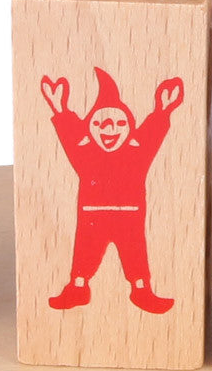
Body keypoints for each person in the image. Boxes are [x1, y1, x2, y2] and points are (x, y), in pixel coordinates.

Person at [40, 67, 183, 314]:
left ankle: (141, 291)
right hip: (92, 215)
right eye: (100, 123)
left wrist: (162, 111)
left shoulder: (136, 153)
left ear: (129, 128)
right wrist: (60, 110)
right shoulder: (86, 153)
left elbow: (151, 136)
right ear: (90, 128)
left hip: (129, 215)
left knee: (134, 253)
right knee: (85, 251)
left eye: (119, 123)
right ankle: (78, 288)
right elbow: (71, 137)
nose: (109, 129)